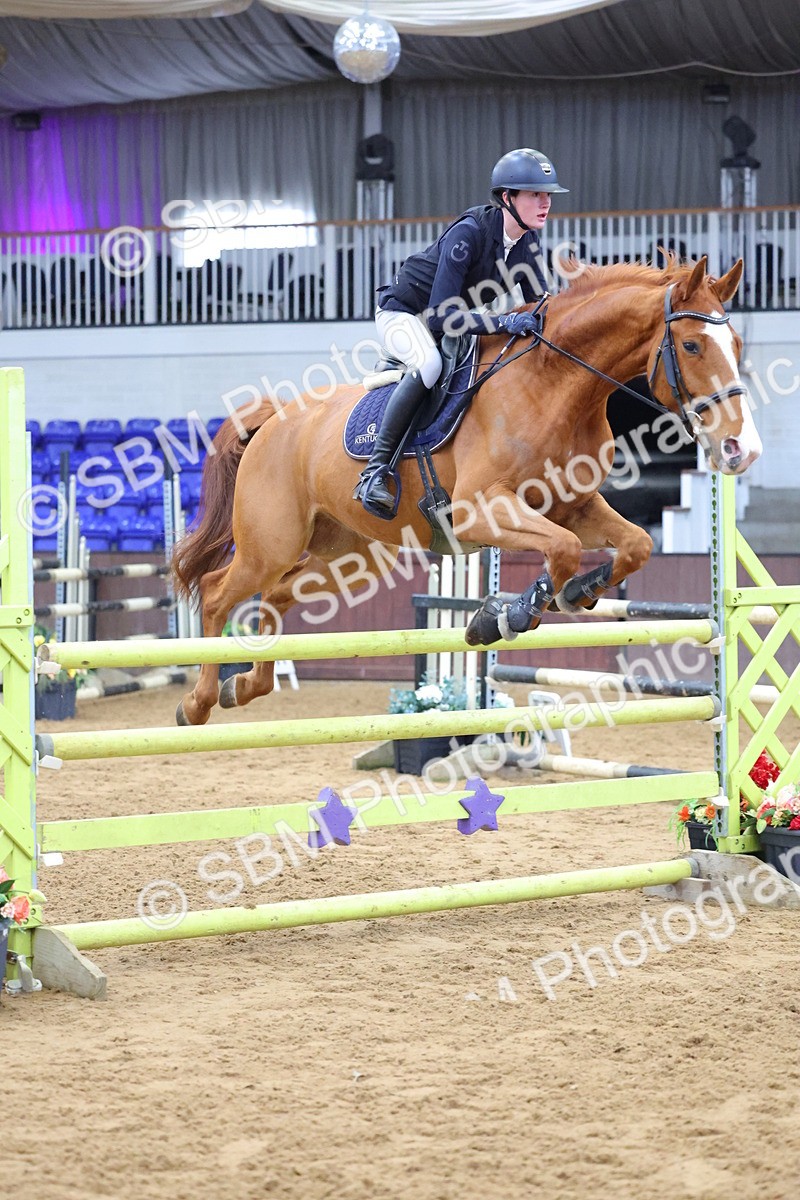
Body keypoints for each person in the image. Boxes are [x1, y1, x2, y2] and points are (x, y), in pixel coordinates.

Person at [354, 147, 569, 518]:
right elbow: (439, 316)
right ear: (507, 198)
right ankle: (374, 472)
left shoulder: (527, 245)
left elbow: (541, 307)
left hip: (455, 318)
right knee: (430, 365)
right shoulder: (468, 234)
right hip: (408, 315)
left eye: (548, 195)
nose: (545, 203)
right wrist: (503, 322)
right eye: (536, 194)